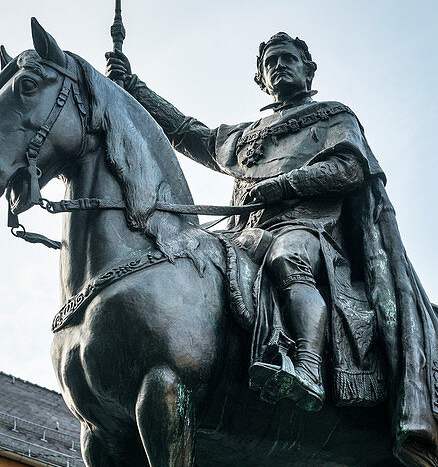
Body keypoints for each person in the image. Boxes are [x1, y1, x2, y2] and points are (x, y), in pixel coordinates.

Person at [106, 33, 384, 411]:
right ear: (261, 79)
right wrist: (133, 86)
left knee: (287, 258)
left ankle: (309, 368)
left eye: (287, 58)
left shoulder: (334, 116)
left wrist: (281, 185)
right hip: (247, 234)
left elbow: (350, 169)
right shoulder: (246, 137)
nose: (279, 66)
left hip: (309, 229)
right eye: (270, 63)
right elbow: (188, 132)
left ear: (309, 69)